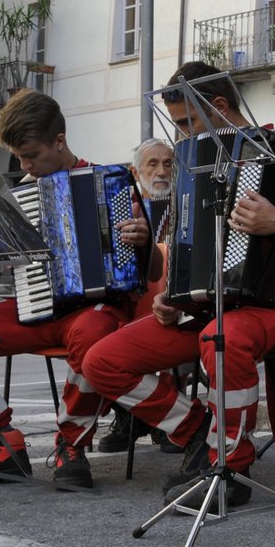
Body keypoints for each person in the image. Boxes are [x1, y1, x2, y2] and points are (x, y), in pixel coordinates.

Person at [81, 61, 275, 506]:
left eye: (185, 123)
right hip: (201, 307)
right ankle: (197, 428)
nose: (179, 135)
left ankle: (231, 469)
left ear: (219, 105)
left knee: (224, 335)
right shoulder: (191, 162)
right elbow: (182, 242)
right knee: (102, 361)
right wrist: (170, 296)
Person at [0, 89, 150, 491]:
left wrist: (140, 238)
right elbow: (12, 263)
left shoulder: (112, 181)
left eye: (32, 156)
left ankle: (71, 444)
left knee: (93, 336)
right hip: (33, 306)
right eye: (19, 158)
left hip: (95, 310)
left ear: (59, 142)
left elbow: (145, 267)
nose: (26, 167)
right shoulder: (17, 195)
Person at [96, 137, 181, 455]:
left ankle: (166, 417)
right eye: (153, 163)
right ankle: (129, 416)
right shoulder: (119, 206)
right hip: (130, 303)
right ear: (135, 171)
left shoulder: (185, 203)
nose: (162, 171)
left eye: (169, 163)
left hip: (171, 301)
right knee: (98, 330)